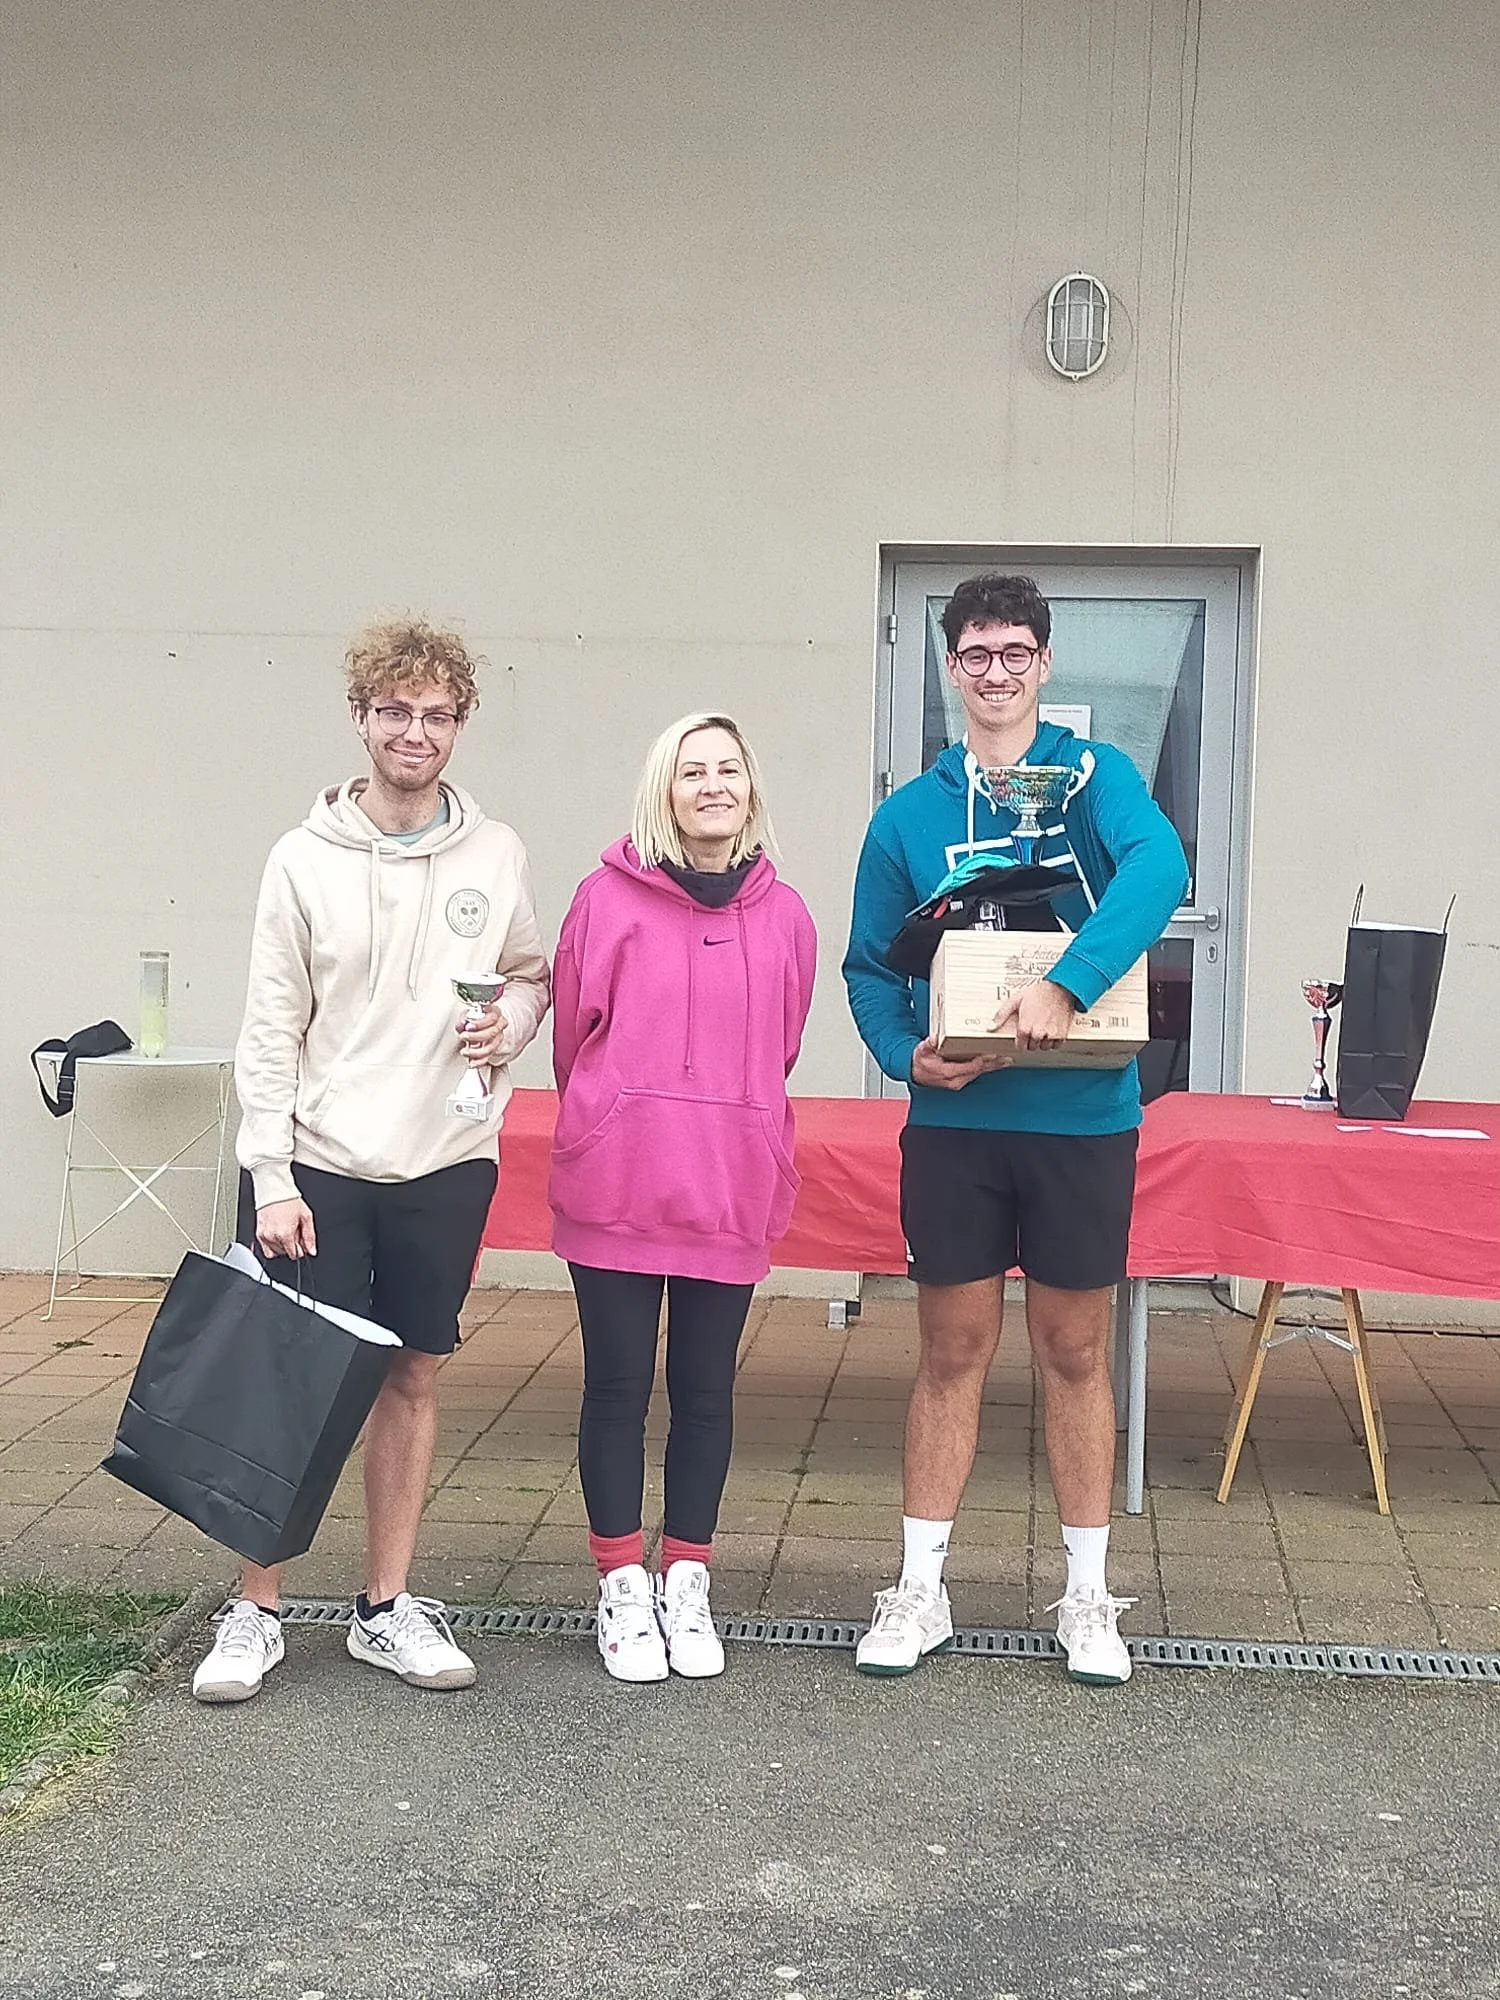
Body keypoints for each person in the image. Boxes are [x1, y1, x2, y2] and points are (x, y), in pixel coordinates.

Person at [192, 617, 551, 1703]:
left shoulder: (497, 852)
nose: (414, 730)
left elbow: (529, 971)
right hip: (325, 1162)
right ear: (361, 718)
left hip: (446, 1157)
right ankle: (256, 1608)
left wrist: (516, 1025)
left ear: (459, 724)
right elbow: (268, 1026)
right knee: (297, 1381)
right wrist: (271, 1171)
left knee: (412, 1373)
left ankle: (384, 1608)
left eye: (436, 713)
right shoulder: (300, 858)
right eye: (394, 710)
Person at [842, 572, 1186, 1684]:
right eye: (975, 652)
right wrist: (907, 1055)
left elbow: (1161, 868)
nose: (995, 671)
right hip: (957, 1129)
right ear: (951, 669)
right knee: (950, 1350)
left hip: (1084, 1120)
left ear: (1043, 665)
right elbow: (867, 968)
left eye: (1015, 652)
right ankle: (919, 1586)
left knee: (1075, 1350)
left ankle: (1088, 1594)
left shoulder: (1093, 779)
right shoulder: (908, 815)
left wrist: (1069, 982)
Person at [549, 713, 816, 1683]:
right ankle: (621, 1581)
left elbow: (779, 1043)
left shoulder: (786, 915)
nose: (712, 785)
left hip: (728, 1180)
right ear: (663, 792)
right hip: (618, 1179)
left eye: (728, 769)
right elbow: (575, 1036)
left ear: (751, 790)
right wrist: (621, 1110)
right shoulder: (602, 900)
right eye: (690, 770)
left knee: (707, 1388)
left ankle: (687, 1577)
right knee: (617, 1385)